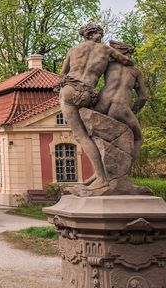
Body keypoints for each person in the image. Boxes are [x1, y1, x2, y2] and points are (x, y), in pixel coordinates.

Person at [55, 23, 131, 187]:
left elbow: (61, 75)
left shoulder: (74, 50)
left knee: (81, 136)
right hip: (89, 94)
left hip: (69, 91)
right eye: (99, 33)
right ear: (92, 34)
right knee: (92, 133)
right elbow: (127, 61)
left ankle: (101, 176)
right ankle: (99, 175)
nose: (101, 35)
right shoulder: (107, 50)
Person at [94, 40, 148, 163]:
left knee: (99, 139)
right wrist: (133, 111)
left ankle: (99, 173)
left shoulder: (108, 66)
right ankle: (124, 172)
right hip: (120, 106)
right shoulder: (135, 72)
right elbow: (143, 97)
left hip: (101, 104)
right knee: (138, 138)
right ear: (128, 53)